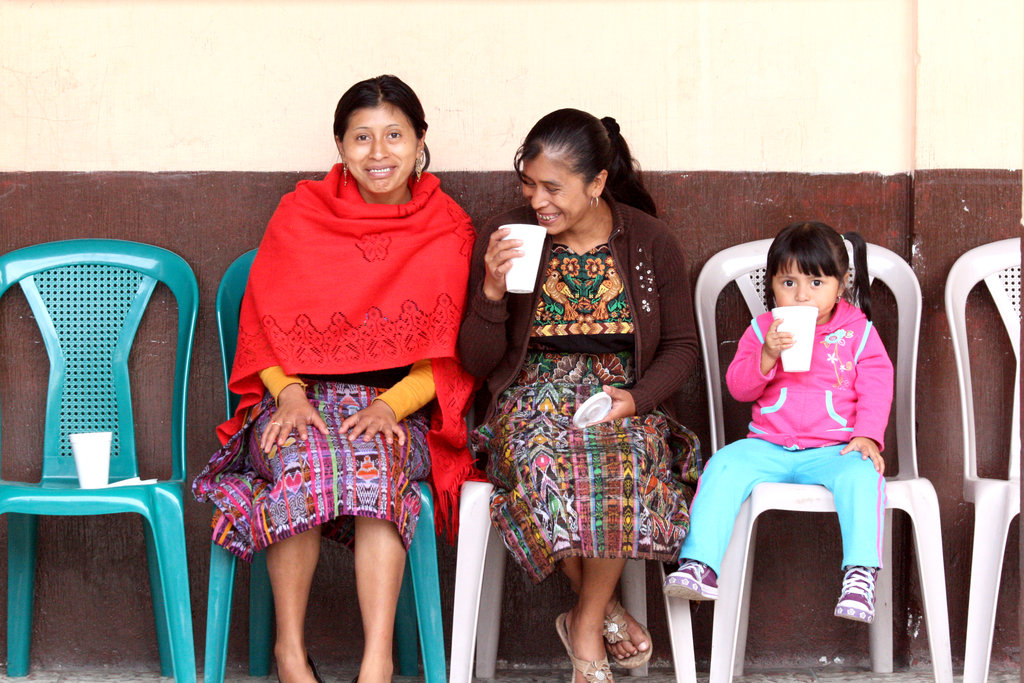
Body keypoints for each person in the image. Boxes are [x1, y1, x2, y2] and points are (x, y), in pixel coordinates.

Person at [192, 75, 476, 683]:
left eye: (395, 135)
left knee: (374, 465)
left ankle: (377, 663)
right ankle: (290, 653)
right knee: (302, 459)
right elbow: (261, 323)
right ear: (340, 147)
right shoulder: (301, 212)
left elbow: (448, 354)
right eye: (362, 138)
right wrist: (289, 393)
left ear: (421, 141)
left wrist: (394, 407)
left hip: (394, 407)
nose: (380, 153)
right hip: (299, 400)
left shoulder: (448, 226)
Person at [458, 109, 701, 683]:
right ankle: (605, 614)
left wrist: (637, 399)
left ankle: (585, 622)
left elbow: (683, 347)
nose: (536, 200)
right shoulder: (506, 233)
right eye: (528, 183)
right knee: (546, 462)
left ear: (596, 184)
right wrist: (491, 292)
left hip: (621, 394)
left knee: (621, 461)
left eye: (552, 187)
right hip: (529, 394)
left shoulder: (648, 240)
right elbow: (474, 362)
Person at [663, 221, 893, 625]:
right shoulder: (762, 329)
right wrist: (766, 355)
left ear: (841, 287)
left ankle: (860, 574)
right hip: (768, 445)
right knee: (723, 465)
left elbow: (878, 385)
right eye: (789, 282)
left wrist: (867, 436)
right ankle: (700, 564)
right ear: (771, 285)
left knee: (863, 473)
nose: (802, 294)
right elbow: (739, 388)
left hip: (833, 449)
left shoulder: (858, 334)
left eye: (816, 282)